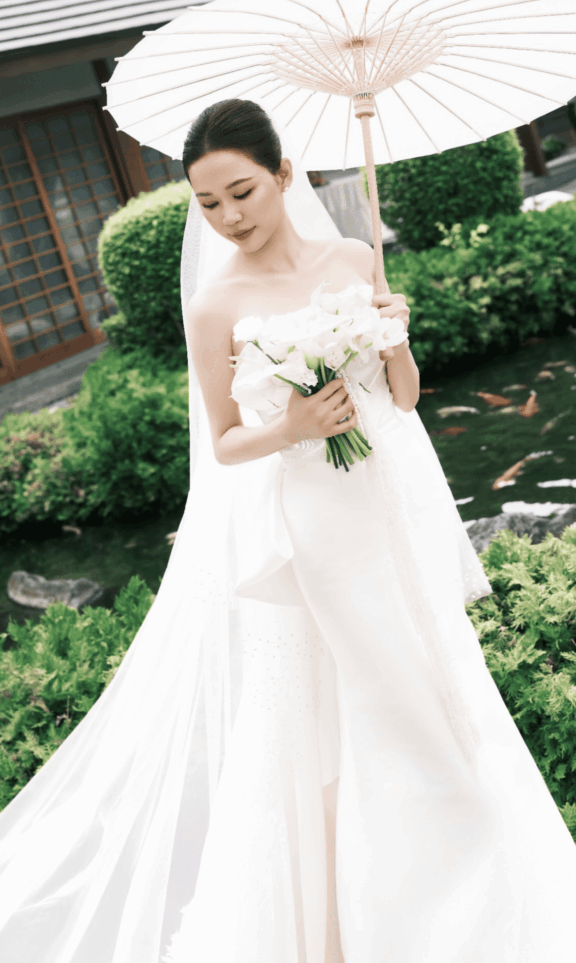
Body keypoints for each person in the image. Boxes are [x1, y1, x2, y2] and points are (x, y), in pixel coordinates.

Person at [0, 99, 575, 963]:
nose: (230, 217)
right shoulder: (215, 304)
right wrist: (295, 427)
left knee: (429, 672)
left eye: (241, 192)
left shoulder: (353, 259)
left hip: (390, 501)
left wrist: (397, 336)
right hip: (314, 522)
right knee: (386, 691)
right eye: (209, 203)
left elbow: (406, 399)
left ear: (283, 175)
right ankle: (423, 906)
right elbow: (228, 442)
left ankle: (452, 885)